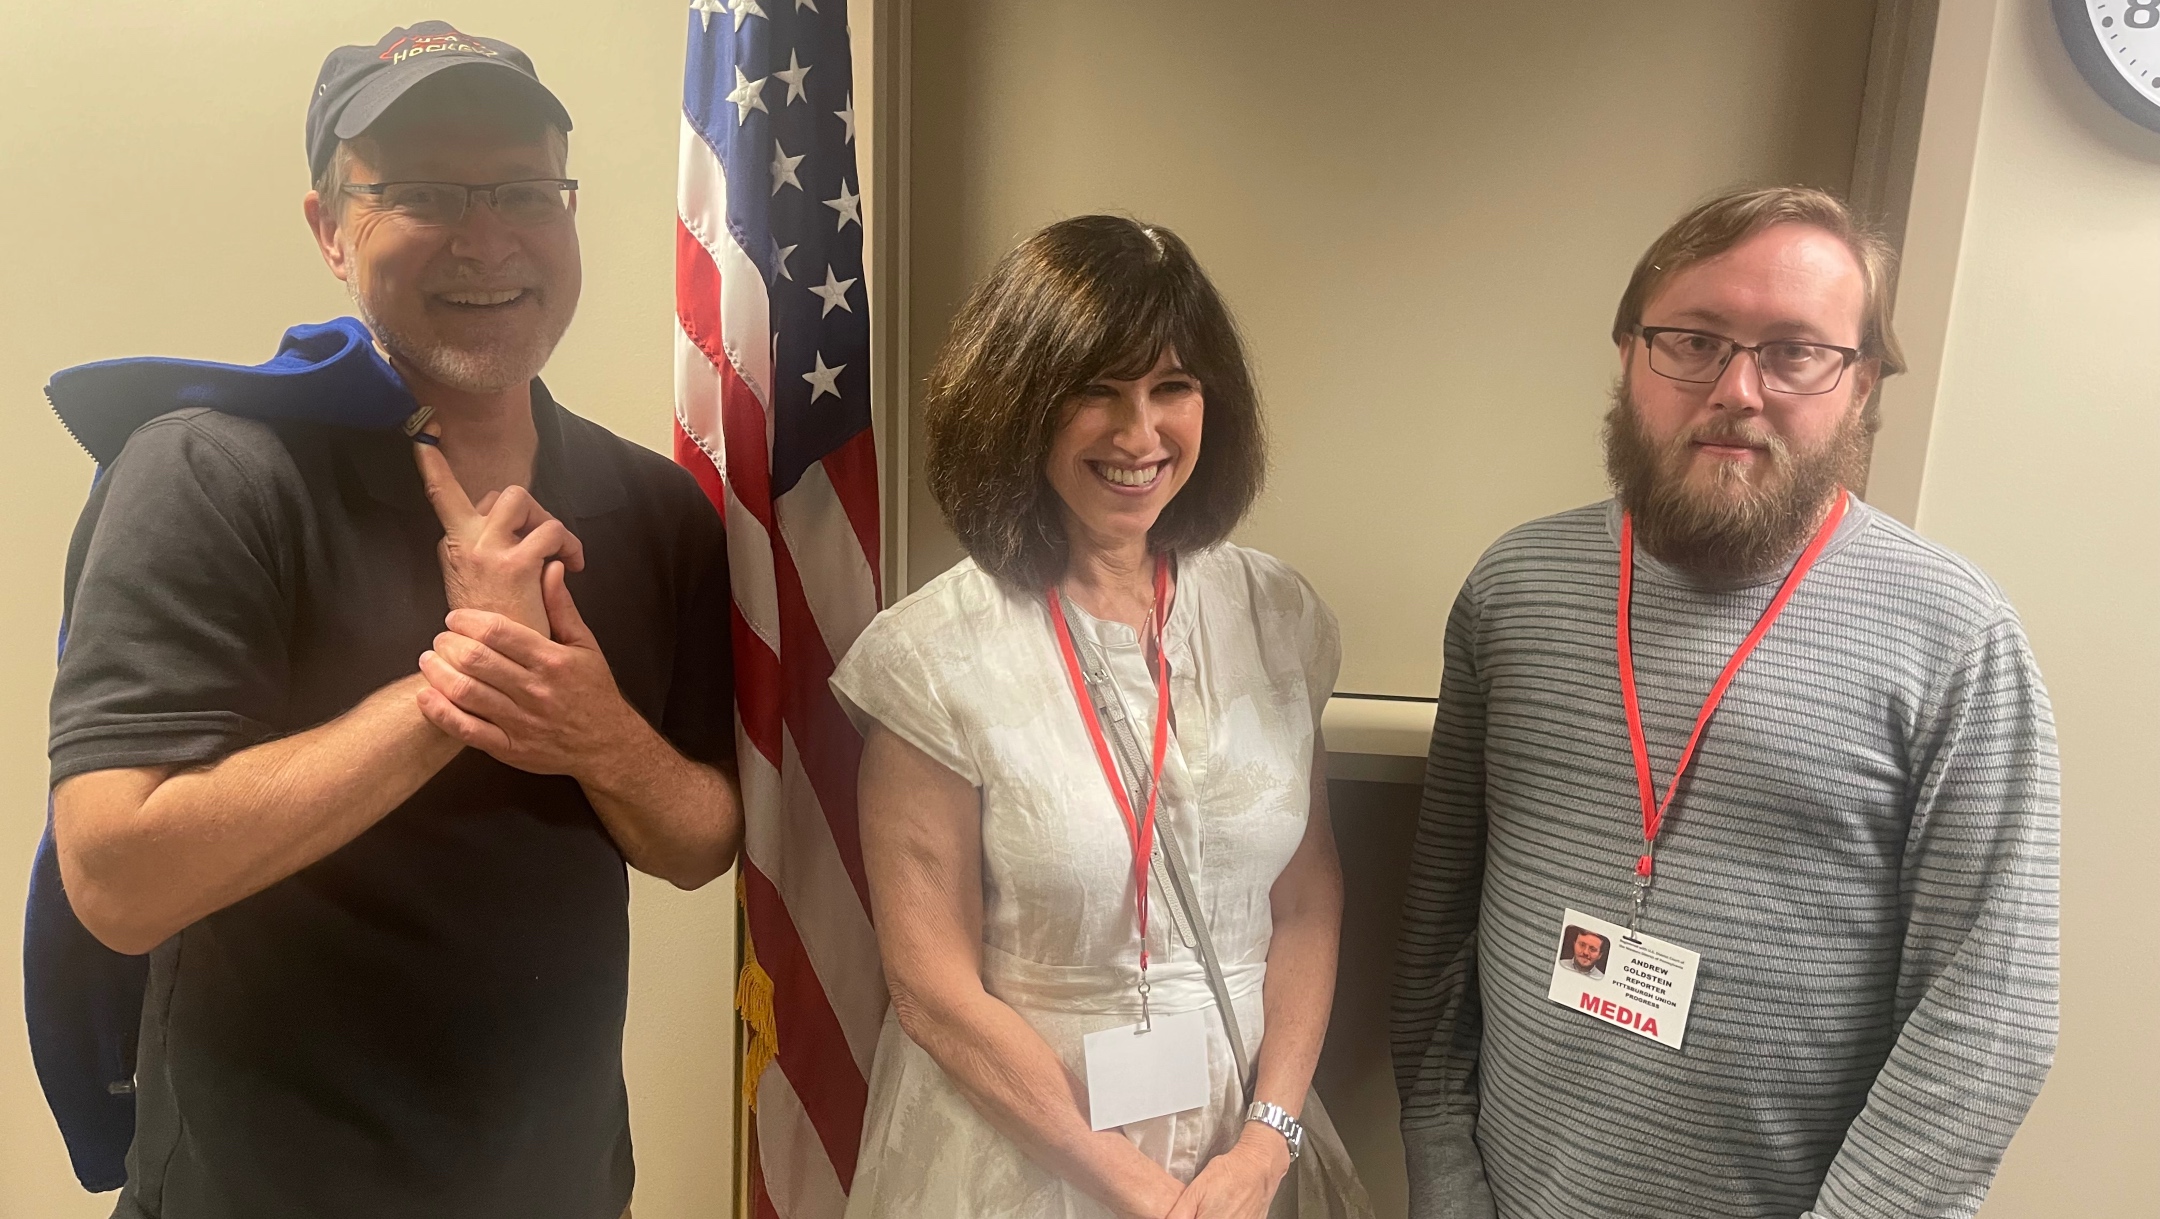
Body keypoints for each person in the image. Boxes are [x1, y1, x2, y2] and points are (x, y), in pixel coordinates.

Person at [46, 22, 740, 1218]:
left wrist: (593, 731)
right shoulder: (211, 476)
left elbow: (698, 839)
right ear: (329, 228)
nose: (487, 239)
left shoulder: (652, 507)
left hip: (563, 1187)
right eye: (422, 193)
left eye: (525, 191)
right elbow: (115, 875)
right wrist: (452, 696)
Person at [1391, 186, 2059, 1219]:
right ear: (1629, 355)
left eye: (1795, 351)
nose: (1737, 389)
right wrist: (1442, 1178)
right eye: (1694, 341)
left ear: (1861, 382)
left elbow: (1986, 1018)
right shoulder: (1513, 591)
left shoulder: (1957, 637)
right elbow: (1438, 939)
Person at [832, 217, 1369, 1218]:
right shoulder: (935, 656)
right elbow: (933, 992)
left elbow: (1304, 897)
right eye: (1097, 391)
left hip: (1241, 1161)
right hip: (1019, 1164)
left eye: (1172, 388)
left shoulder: (1277, 618)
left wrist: (1265, 1144)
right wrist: (1134, 1188)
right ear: (1018, 405)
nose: (1140, 434)